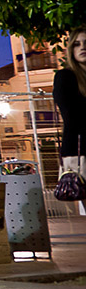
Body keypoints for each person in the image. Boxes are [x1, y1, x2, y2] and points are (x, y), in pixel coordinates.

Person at [54, 27, 86, 215]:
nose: (82, 47)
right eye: (77, 44)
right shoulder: (65, 77)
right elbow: (71, 115)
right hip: (80, 152)